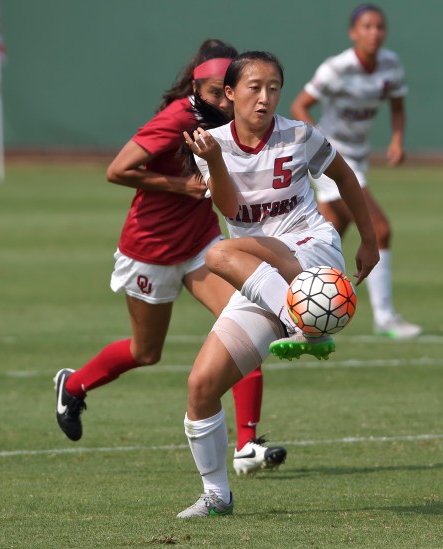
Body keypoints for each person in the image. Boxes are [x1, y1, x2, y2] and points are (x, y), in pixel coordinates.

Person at [52, 39, 287, 477]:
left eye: (229, 90)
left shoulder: (237, 122)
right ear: (198, 89)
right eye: (215, 92)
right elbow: (117, 170)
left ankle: (247, 443)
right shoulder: (178, 118)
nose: (225, 99)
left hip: (201, 246)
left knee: (244, 329)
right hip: (151, 249)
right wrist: (184, 187)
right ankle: (75, 384)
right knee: (146, 352)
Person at [176, 51, 379, 518]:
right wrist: (214, 161)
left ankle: (300, 320)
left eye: (273, 87)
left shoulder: (299, 135)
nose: (264, 96)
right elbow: (228, 209)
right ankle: (216, 496)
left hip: (309, 252)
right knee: (201, 385)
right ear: (229, 94)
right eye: (253, 87)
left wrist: (368, 239)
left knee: (218, 254)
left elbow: (343, 175)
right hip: (262, 275)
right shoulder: (213, 144)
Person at [290, 3, 421, 339]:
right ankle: (385, 318)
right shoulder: (338, 68)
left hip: (358, 159)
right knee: (379, 229)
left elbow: (398, 105)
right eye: (366, 27)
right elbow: (299, 104)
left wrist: (397, 140)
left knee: (324, 239)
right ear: (353, 33)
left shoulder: (391, 64)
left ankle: (298, 317)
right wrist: (321, 146)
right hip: (334, 162)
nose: (374, 33)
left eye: (379, 27)